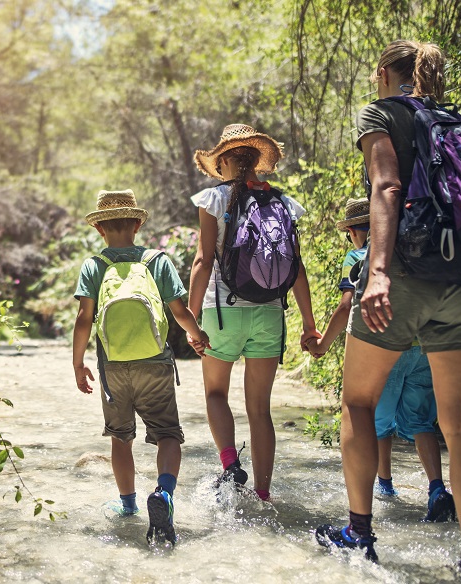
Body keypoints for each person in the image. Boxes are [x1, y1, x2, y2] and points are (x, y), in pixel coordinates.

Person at [314, 40, 461, 579]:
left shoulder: (383, 114)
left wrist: (379, 273)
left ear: (383, 73)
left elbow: (386, 186)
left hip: (408, 274)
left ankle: (360, 535)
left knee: (360, 403)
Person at [188, 124, 321, 503]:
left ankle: (231, 467)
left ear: (226, 159)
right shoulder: (283, 203)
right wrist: (308, 324)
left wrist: (192, 320)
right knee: (259, 408)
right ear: (257, 162)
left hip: (222, 315)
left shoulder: (213, 199)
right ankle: (263, 494)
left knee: (216, 392)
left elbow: (202, 260)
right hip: (269, 316)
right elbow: (297, 267)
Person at [72, 189, 210, 546]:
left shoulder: (94, 266)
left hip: (112, 366)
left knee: (121, 437)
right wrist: (196, 337)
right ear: (136, 224)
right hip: (155, 363)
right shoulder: (157, 261)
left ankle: (128, 505)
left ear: (100, 230)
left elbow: (84, 318)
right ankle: (163, 493)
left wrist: (78, 364)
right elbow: (179, 312)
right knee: (166, 433)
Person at [306, 198, 456, 523]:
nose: (350, 239)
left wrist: (321, 345)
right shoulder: (412, 247)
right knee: (419, 422)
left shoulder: (359, 255)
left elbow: (347, 306)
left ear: (356, 232)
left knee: (371, 417)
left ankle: (381, 491)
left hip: (382, 345)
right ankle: (436, 489)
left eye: (349, 233)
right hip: (423, 346)